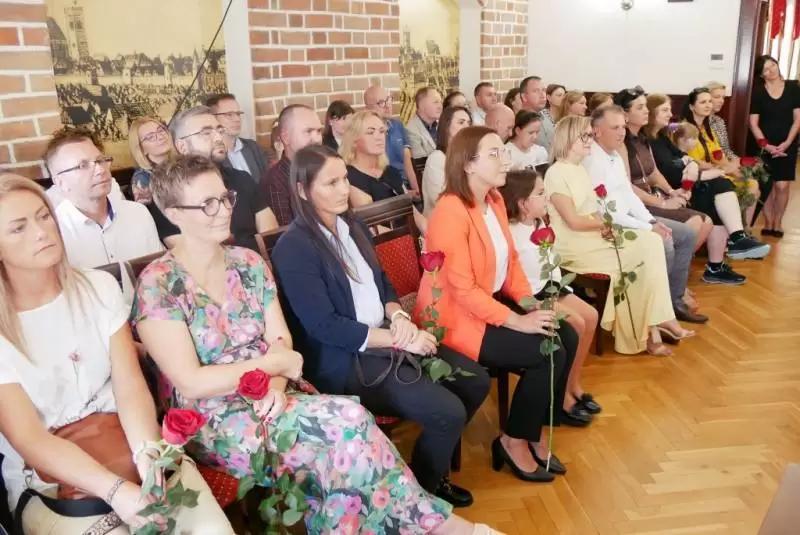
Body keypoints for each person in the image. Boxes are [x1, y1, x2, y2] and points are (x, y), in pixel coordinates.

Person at [134, 155, 500, 534]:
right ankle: (439, 526)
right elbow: (192, 382)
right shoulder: (158, 284)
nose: (224, 210)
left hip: (274, 394)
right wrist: (274, 367)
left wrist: (276, 384)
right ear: (173, 213)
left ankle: (419, 525)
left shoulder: (247, 263)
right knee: (347, 430)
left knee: (347, 436)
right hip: (215, 418)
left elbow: (280, 340)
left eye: (226, 198)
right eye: (208, 203)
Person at [0, 173, 231, 534]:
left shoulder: (98, 287)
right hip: (52, 480)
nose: (42, 232)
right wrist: (115, 490)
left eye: (44, 216)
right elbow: (29, 438)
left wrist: (148, 457)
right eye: (18, 228)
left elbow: (130, 387)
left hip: (128, 438)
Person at [271, 144, 493, 510]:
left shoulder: (353, 224)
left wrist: (400, 318)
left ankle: (428, 470)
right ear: (302, 190)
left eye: (345, 178)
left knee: (476, 380)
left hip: (387, 335)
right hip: (346, 360)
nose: (344, 189)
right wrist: (398, 339)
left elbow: (382, 283)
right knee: (448, 411)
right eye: (331, 183)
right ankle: (417, 499)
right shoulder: (293, 247)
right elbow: (325, 326)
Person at [415, 125, 581, 482]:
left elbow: (511, 264)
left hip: (483, 306)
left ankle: (532, 431)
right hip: (454, 320)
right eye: (495, 154)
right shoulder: (450, 210)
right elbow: (461, 289)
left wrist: (529, 303)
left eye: (503, 152)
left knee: (565, 335)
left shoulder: (493, 201)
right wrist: (517, 320)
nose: (505, 159)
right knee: (547, 352)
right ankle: (513, 440)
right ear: (468, 164)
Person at [545, 116, 693, 356]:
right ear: (570, 139)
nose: (590, 140)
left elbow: (593, 211)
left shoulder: (579, 169)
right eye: (585, 136)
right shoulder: (556, 173)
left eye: (590, 135)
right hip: (573, 243)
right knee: (641, 259)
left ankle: (652, 326)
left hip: (591, 235)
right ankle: (646, 332)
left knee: (651, 242)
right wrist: (606, 226)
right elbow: (573, 221)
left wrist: (605, 227)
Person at [584, 106, 709, 323]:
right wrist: (650, 227)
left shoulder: (613, 155)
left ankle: (674, 302)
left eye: (623, 127)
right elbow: (607, 212)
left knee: (686, 234)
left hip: (629, 218)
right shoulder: (591, 160)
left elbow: (628, 194)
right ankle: (655, 312)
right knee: (665, 242)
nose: (621, 133)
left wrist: (651, 221)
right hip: (610, 225)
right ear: (597, 130)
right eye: (615, 128)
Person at [499, 168, 602, 417]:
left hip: (551, 285)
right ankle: (560, 395)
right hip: (531, 295)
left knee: (590, 316)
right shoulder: (511, 232)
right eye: (540, 193)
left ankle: (573, 383)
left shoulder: (539, 222)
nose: (546, 197)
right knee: (576, 322)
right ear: (523, 203)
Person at [647, 95, 770, 284]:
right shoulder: (649, 140)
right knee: (719, 187)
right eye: (665, 110)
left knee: (720, 189)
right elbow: (670, 172)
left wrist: (695, 169)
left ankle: (730, 247)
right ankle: (730, 248)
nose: (670, 114)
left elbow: (685, 158)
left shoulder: (662, 138)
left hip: (685, 184)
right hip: (672, 190)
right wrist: (701, 174)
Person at [42, 127, 163, 299]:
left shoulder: (138, 213)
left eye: (100, 160)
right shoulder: (53, 234)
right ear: (60, 182)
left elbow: (160, 273)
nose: (100, 170)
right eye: (83, 165)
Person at [149, 106, 277, 250]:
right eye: (206, 133)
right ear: (182, 146)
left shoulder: (242, 178)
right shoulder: (169, 195)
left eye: (220, 131)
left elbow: (269, 235)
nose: (218, 138)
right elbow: (189, 252)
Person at [613, 87, 713, 250]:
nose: (646, 111)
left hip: (651, 195)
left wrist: (672, 192)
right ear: (625, 114)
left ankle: (678, 261)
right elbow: (627, 185)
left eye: (646, 106)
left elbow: (654, 172)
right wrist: (663, 203)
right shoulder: (621, 142)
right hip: (637, 202)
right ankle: (668, 261)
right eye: (640, 107)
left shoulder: (642, 138)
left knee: (707, 222)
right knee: (694, 222)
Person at [682, 87, 762, 232]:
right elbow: (691, 161)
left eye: (709, 102)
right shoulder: (684, 129)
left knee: (751, 184)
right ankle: (737, 232)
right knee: (743, 188)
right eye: (703, 102)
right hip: (700, 176)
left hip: (716, 171)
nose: (708, 105)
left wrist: (734, 171)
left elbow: (718, 155)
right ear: (692, 106)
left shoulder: (707, 129)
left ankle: (744, 231)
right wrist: (722, 169)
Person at [749, 55, 800, 236]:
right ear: (761, 74)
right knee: (767, 185)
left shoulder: (793, 88)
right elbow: (753, 123)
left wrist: (787, 143)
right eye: (766, 69)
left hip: (787, 144)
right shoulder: (758, 92)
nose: (771, 70)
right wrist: (766, 146)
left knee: (782, 186)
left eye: (773, 65)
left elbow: (798, 119)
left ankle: (778, 221)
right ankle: (768, 221)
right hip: (764, 145)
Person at [261, 104, 323, 226]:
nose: (317, 139)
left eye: (319, 131)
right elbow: (287, 231)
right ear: (286, 137)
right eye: (308, 131)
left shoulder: (325, 169)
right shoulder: (275, 181)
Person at [364, 85, 420, 193]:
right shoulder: (366, 135)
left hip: (407, 185)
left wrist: (416, 189)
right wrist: (405, 193)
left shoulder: (397, 125)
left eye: (389, 100)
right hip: (389, 189)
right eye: (381, 102)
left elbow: (407, 161)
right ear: (367, 109)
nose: (388, 106)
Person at [207, 93, 271, 184]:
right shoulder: (210, 154)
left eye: (238, 114)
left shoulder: (253, 147)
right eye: (229, 115)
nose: (237, 119)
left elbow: (268, 181)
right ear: (213, 117)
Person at [423, 105, 473, 216]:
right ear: (447, 127)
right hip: (443, 219)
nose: (467, 127)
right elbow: (440, 200)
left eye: (469, 123)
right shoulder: (437, 159)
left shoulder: (470, 157)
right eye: (461, 122)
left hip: (469, 214)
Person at [128, 116, 177, 204]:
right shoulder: (142, 178)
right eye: (150, 137)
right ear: (142, 149)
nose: (160, 136)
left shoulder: (181, 161)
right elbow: (146, 211)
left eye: (160, 130)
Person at [406, 87, 443, 159]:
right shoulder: (411, 131)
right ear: (421, 105)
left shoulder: (442, 125)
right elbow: (421, 163)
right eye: (436, 102)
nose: (440, 106)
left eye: (440, 102)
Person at [519, 76, 554, 150]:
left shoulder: (547, 116)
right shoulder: (519, 122)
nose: (542, 95)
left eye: (544, 90)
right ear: (524, 97)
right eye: (536, 91)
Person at [706, 82, 738, 161]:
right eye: (717, 97)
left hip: (724, 162)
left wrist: (739, 161)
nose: (722, 101)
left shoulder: (719, 121)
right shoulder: (698, 122)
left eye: (723, 97)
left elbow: (726, 150)